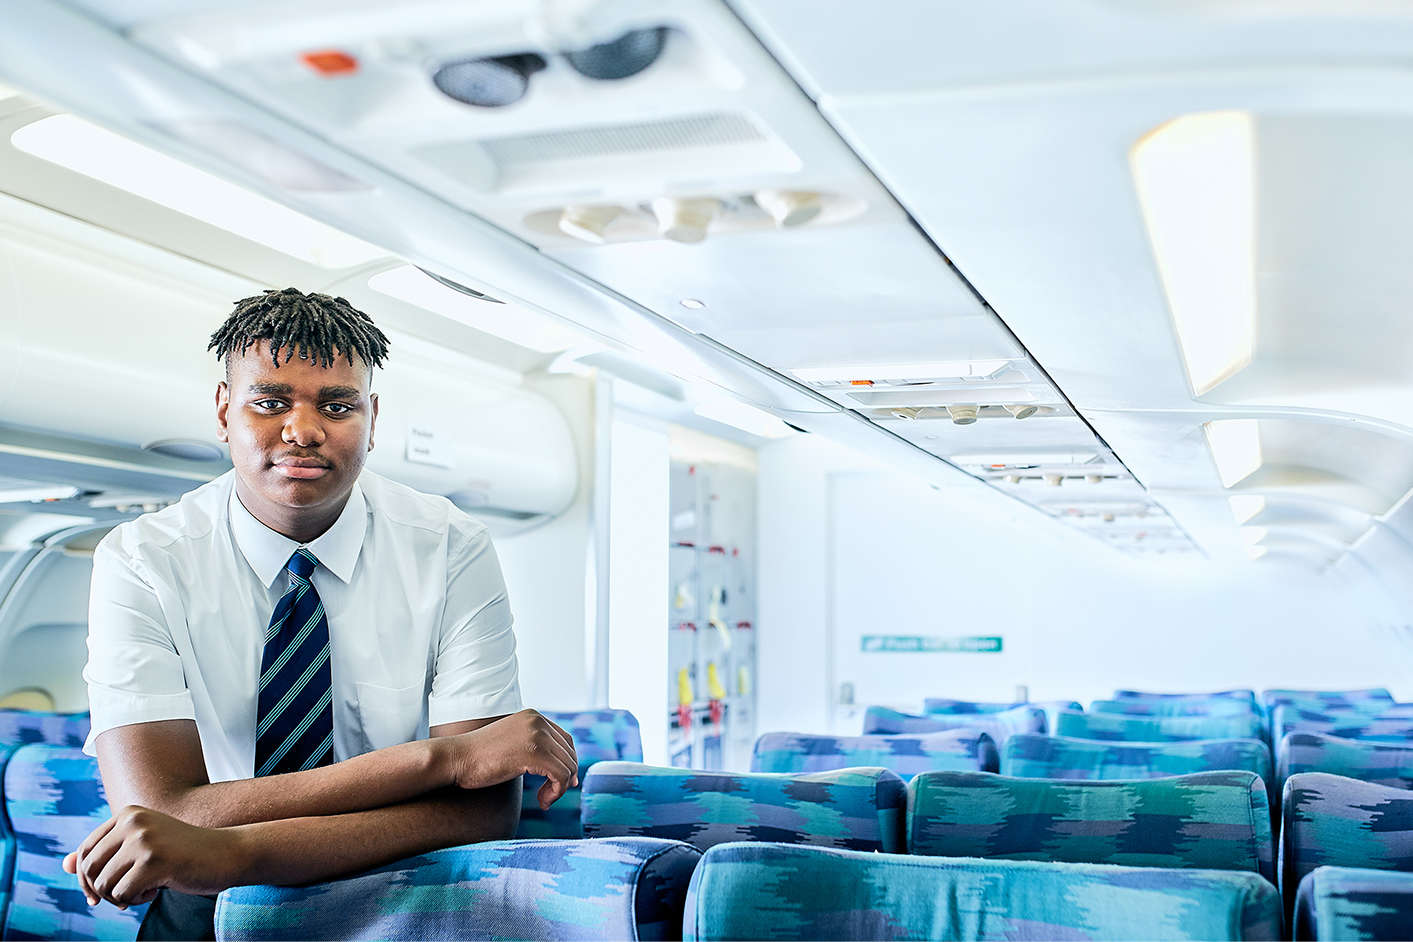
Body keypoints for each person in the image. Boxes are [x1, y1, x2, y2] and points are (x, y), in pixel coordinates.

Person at [62, 288, 578, 939]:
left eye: (337, 406)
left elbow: (479, 817)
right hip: (204, 901)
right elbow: (160, 810)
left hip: (402, 889)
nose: (303, 431)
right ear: (224, 412)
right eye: (270, 402)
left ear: (372, 417)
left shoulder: (450, 547)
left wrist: (224, 841)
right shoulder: (143, 558)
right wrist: (439, 762)